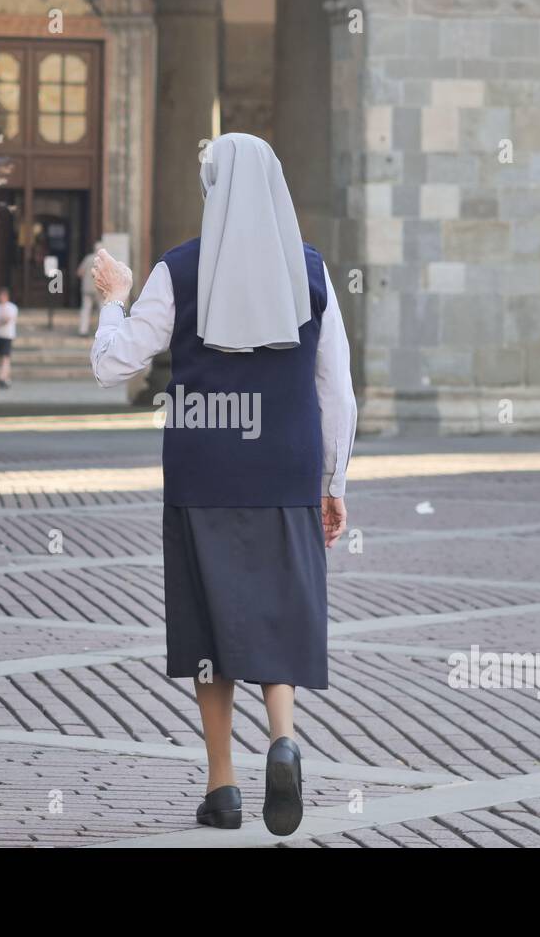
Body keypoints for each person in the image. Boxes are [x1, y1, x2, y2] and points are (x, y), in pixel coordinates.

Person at [90, 133, 356, 837]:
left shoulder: (178, 270)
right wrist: (334, 478)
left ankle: (224, 787)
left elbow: (114, 366)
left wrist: (113, 299)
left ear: (213, 189)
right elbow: (338, 391)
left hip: (205, 467)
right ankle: (285, 736)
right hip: (287, 467)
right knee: (276, 610)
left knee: (212, 623)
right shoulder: (313, 274)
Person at [0, 286, 18, 389]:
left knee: (6, 357)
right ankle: (6, 378)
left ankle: (1, 377)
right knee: (2, 358)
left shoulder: (12, 307)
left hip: (7, 335)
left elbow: (8, 319)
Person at [76, 240, 101, 336]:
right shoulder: (103, 260)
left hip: (87, 288)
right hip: (99, 289)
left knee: (86, 309)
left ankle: (83, 330)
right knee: (102, 310)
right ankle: (100, 332)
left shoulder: (88, 258)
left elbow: (79, 272)